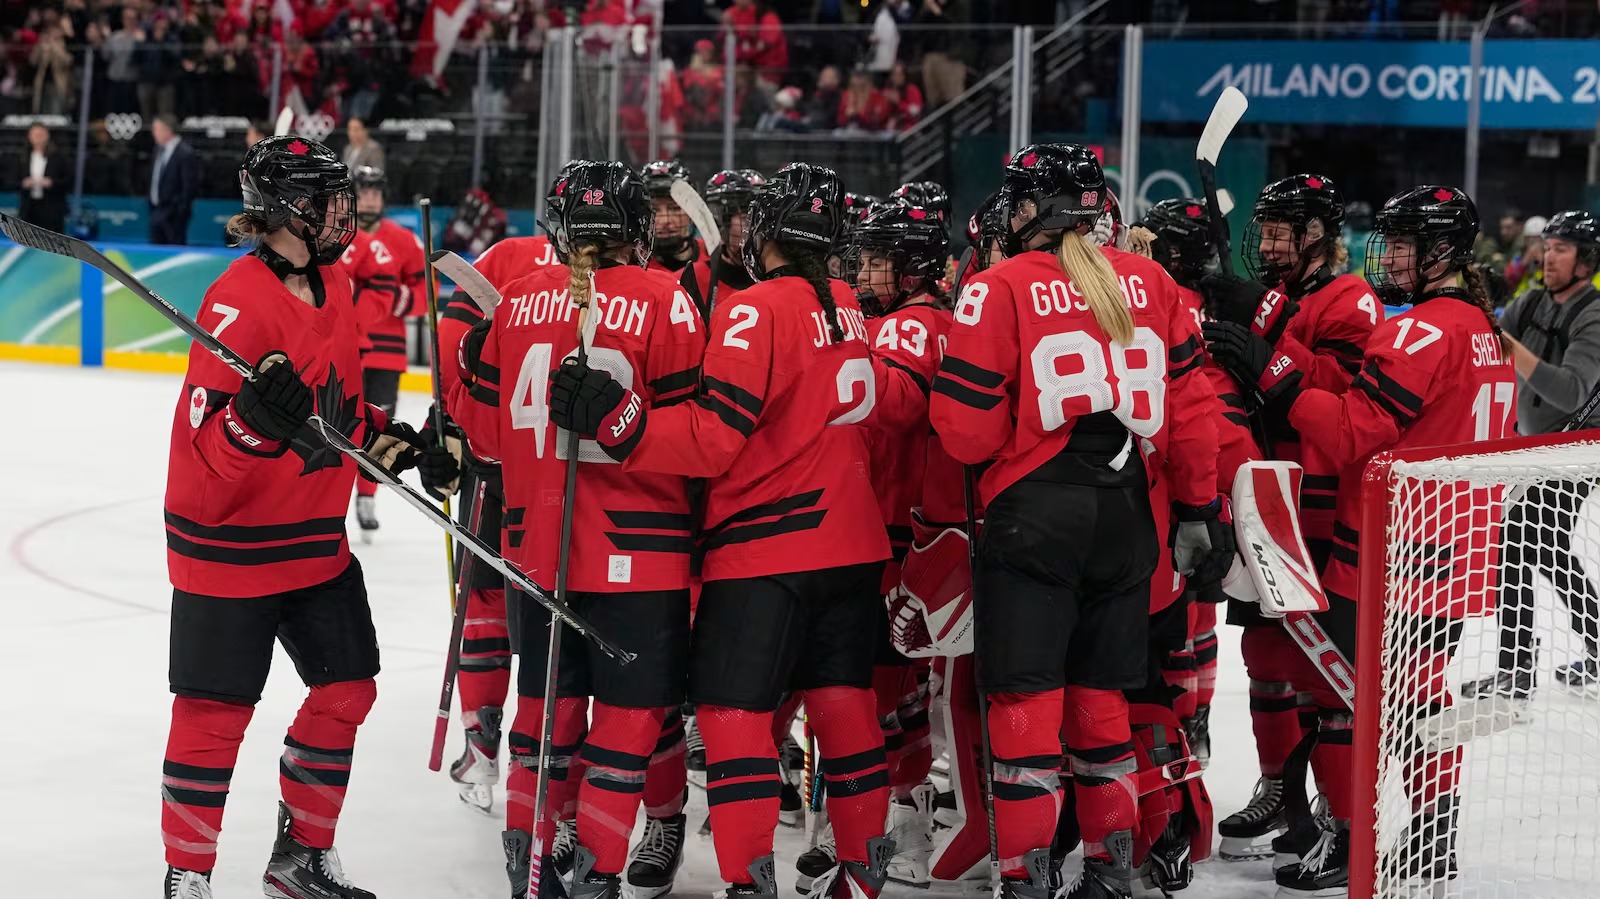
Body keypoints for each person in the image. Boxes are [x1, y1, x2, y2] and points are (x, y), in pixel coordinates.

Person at [547, 163, 897, 899]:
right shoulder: (847, 304)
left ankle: (749, 881)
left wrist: (622, 422)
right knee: (844, 706)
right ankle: (864, 873)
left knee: (732, 716)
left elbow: (713, 438)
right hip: (855, 547)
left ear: (768, 229)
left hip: (768, 549)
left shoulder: (755, 309)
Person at [928, 144, 1228, 899]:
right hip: (1128, 515)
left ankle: (1025, 876)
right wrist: (1198, 508)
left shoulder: (998, 285)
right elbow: (1195, 413)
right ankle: (1110, 866)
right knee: (1101, 704)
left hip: (1036, 514)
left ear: (1038, 208)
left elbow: (964, 433)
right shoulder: (1153, 281)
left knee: (1026, 706)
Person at [159, 134, 447, 899]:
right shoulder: (235, 301)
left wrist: (385, 438)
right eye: (328, 201)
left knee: (348, 687)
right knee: (215, 712)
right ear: (286, 210)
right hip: (228, 545)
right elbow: (207, 450)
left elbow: (336, 408)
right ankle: (188, 874)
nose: (344, 214)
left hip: (314, 541)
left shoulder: (338, 284)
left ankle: (300, 857)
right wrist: (250, 423)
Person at [1214, 185, 1516, 898]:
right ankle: (1433, 835)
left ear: (1441, 250)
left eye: (1406, 244)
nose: (1392, 257)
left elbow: (1353, 431)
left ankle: (1351, 840)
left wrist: (1275, 375)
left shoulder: (1423, 331)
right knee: (1421, 696)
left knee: (1339, 694)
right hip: (1460, 544)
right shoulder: (1482, 328)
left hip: (1397, 546)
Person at [447, 160, 705, 899]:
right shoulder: (668, 299)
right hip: (641, 549)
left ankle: (526, 861)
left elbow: (485, 443)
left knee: (544, 714)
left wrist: (470, 365)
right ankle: (597, 871)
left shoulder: (517, 299)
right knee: (629, 720)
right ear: (634, 228)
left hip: (537, 549)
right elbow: (701, 438)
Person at [1199, 174, 1381, 866]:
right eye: (1265, 230)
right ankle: (1281, 789)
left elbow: (1343, 396)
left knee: (1322, 663)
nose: (1268, 243)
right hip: (1269, 498)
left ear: (1316, 235)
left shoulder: (1350, 298)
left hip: (1323, 505)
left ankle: (1335, 813)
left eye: (1280, 231)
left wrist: (1266, 329)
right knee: (1265, 654)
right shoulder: (1284, 294)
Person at [813, 199, 952, 890]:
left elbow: (890, 406)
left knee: (886, 689)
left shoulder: (913, 325)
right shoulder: (916, 319)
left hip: (896, 530)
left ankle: (905, 817)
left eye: (877, 261)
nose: (864, 272)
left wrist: (833, 355)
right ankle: (902, 809)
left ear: (914, 266)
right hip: (903, 525)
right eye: (862, 259)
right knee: (898, 688)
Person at [436, 166, 576, 818]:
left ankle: (482, 742)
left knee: (485, 596)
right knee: (549, 609)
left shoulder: (507, 256)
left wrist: (455, 421)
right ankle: (542, 753)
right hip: (573, 479)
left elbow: (451, 342)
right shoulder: (623, 274)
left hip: (495, 460)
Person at [1468, 210, 1600, 696]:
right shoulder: (1532, 302)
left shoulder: (1594, 314)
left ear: (1585, 260)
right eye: (1547, 247)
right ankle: (1541, 658)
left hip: (1574, 452)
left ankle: (1517, 666)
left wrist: (1508, 345)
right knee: (1547, 551)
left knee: (1518, 544)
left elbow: (1570, 391)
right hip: (1535, 451)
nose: (1549, 256)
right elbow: (1490, 338)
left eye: (1561, 249)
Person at [344, 165, 425, 540]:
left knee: (377, 427)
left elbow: (424, 292)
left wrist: (397, 298)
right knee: (332, 423)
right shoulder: (337, 234)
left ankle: (367, 497)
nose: (370, 199)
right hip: (343, 344)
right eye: (364, 192)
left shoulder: (405, 241)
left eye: (376, 193)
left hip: (386, 352)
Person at [691, 168, 766, 318]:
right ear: (723, 224)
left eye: (760, 218)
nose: (755, 226)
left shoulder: (778, 278)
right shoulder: (693, 278)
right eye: (746, 218)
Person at [640, 160, 712, 298]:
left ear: (691, 211)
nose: (665, 220)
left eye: (675, 208)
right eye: (654, 210)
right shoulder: (632, 265)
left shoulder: (713, 256)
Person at [148, 114, 198, 245]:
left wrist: (180, 212)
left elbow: (189, 187)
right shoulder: (157, 150)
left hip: (174, 216)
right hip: (156, 212)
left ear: (167, 130)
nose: (153, 133)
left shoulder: (185, 153)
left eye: (156, 129)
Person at [19, 122, 68, 233]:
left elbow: (67, 180)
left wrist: (52, 183)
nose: (37, 138)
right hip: (29, 206)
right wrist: (24, 183)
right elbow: (13, 179)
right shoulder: (23, 157)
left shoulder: (58, 158)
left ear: (47, 136)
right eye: (34, 134)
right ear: (29, 136)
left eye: (40, 134)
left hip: (51, 207)